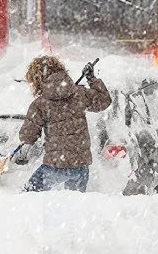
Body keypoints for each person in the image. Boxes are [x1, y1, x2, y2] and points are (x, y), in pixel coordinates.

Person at [17, 55, 112, 192]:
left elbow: (28, 135)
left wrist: (22, 153)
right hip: (80, 165)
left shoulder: (40, 104)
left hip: (55, 165)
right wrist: (91, 78)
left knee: (28, 196)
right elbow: (104, 101)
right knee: (74, 207)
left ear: (37, 80)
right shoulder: (78, 94)